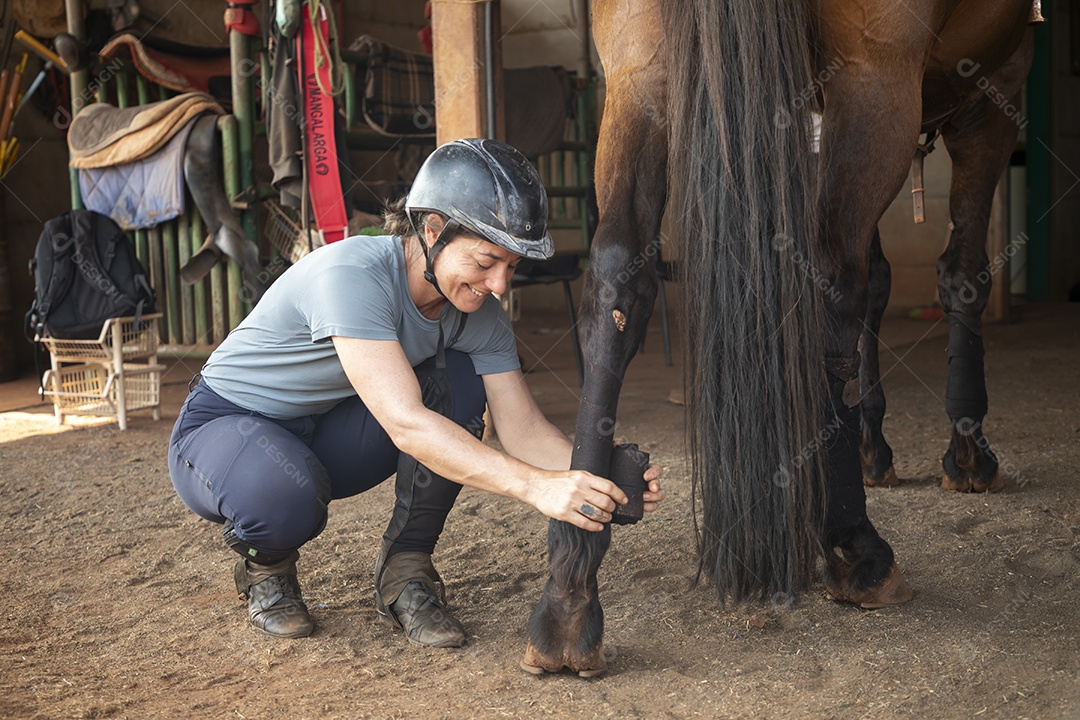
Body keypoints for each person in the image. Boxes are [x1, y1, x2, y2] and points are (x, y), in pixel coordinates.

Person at [167, 138, 664, 647]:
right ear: (432, 231)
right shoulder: (353, 275)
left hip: (326, 430)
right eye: (486, 261)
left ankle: (406, 571)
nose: (499, 285)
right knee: (285, 496)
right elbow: (405, 422)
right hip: (226, 428)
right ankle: (265, 569)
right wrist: (538, 487)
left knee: (461, 383)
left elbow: (524, 428)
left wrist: (599, 475)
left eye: (512, 267)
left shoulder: (477, 313)